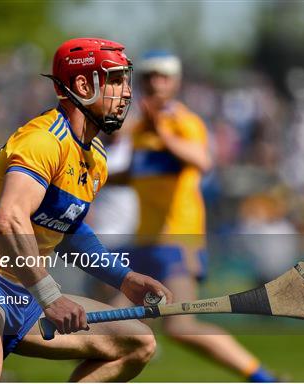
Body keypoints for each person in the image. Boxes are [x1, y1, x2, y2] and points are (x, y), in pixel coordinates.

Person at [0, 38, 172, 382]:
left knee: (137, 343)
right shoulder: (43, 140)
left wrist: (124, 279)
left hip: (24, 290)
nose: (128, 92)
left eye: (125, 80)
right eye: (116, 80)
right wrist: (50, 296)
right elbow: (8, 219)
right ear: (83, 85)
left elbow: (68, 231)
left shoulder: (95, 158)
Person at [124, 50, 278, 382]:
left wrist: (162, 130)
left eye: (163, 77)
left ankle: (264, 378)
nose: (155, 84)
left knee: (180, 325)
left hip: (177, 240)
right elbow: (137, 175)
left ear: (176, 82)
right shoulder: (138, 132)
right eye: (149, 77)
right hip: (144, 241)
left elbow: (203, 161)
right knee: (116, 324)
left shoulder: (184, 122)